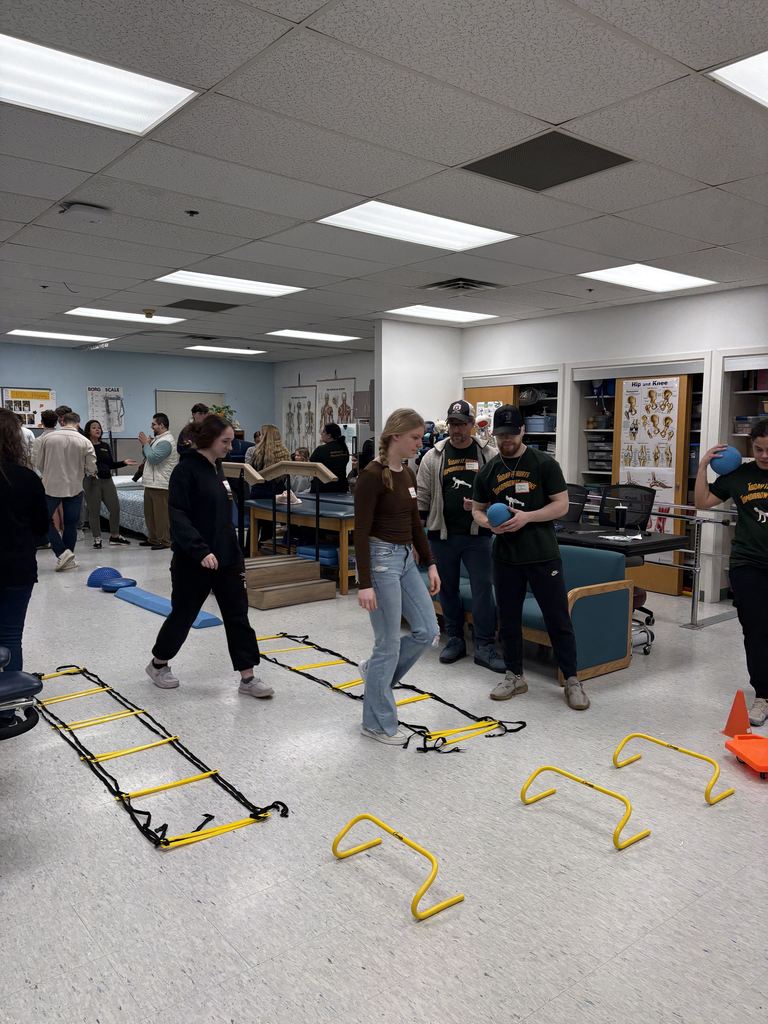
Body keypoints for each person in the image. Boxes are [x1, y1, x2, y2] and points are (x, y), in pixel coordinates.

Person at [145, 415, 273, 698]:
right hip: (193, 560)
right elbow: (178, 516)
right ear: (208, 440)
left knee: (237, 616)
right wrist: (201, 550)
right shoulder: (185, 471)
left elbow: (221, 517)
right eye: (225, 441)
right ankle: (158, 664)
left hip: (227, 558)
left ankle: (248, 677)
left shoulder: (216, 466)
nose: (230, 446)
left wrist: (235, 552)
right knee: (183, 615)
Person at [472, 405, 588, 710]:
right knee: (508, 619)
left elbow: (561, 505)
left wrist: (527, 518)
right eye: (500, 435)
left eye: (511, 434)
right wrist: (490, 524)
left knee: (557, 618)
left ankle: (573, 679)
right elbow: (477, 510)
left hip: (542, 555)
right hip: (505, 557)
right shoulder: (489, 470)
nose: (506, 440)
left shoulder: (544, 464)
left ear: (523, 430)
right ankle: (514, 675)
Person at [354, 408, 440, 744]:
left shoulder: (406, 472)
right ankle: (376, 724)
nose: (420, 443)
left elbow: (415, 523)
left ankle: (375, 674)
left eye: (420, 438)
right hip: (380, 562)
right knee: (387, 644)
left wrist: (430, 563)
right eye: (415, 438)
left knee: (427, 630)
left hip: (405, 559)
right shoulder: (371, 476)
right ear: (395, 436)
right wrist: (364, 584)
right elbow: (360, 532)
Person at [417, 399, 503, 673]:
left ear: (471, 424)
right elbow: (422, 498)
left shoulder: (488, 454)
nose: (457, 430)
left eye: (463, 424)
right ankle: (454, 638)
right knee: (448, 589)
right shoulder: (434, 456)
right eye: (453, 424)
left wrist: (483, 506)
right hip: (441, 535)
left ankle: (485, 645)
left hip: (478, 536)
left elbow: (501, 494)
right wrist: (418, 542)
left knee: (482, 591)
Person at [695, 420, 768, 726]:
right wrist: (702, 468)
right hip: (748, 564)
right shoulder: (738, 475)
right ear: (751, 447)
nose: (764, 455)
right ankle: (763, 695)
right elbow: (702, 502)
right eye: (759, 449)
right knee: (756, 632)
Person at [0, 409, 49, 729]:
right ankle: (6, 708)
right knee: (10, 636)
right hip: (17, 567)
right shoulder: (26, 478)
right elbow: (42, 529)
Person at [35, 411, 97, 571]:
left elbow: (39, 463)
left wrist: (49, 472)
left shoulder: (48, 438)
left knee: (43, 520)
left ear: (62, 422)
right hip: (75, 487)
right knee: (71, 524)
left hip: (50, 486)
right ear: (78, 423)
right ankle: (68, 556)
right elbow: (91, 468)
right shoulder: (85, 441)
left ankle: (62, 553)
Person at [82, 420, 136, 549]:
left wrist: (123, 462)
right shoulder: (84, 446)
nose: (97, 429)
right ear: (88, 431)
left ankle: (115, 536)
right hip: (92, 481)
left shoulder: (105, 446)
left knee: (115, 508)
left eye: (99, 427)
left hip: (107, 481)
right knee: (94, 511)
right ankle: (97, 538)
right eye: (94, 427)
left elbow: (110, 464)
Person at [139, 413, 178, 550]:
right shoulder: (158, 439)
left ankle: (164, 541)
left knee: (161, 516)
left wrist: (146, 444)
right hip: (151, 483)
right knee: (150, 515)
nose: (152, 426)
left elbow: (154, 458)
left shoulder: (166, 441)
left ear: (162, 425)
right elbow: (147, 455)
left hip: (161, 484)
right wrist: (146, 445)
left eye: (154, 424)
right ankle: (153, 539)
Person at [310, 422, 349, 493]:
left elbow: (311, 465)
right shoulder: (344, 448)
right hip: (341, 487)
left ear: (329, 435)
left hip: (323, 488)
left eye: (323, 432)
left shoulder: (321, 449)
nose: (321, 434)